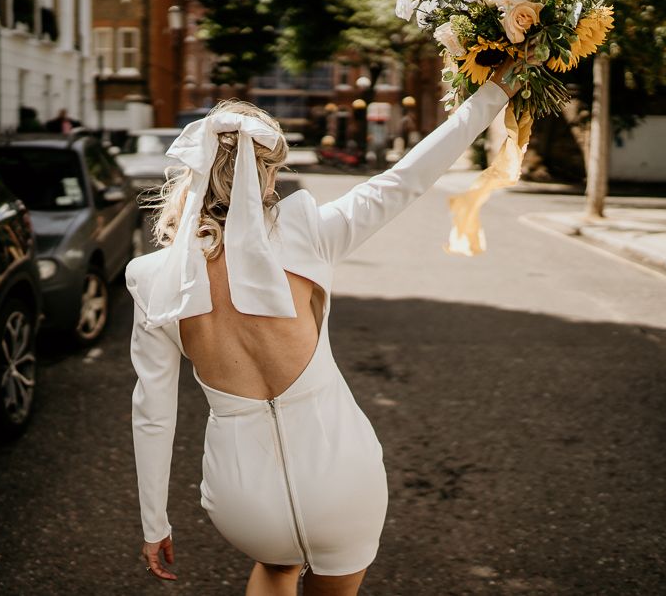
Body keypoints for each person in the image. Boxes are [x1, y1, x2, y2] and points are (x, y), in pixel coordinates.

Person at [125, 56, 523, 596]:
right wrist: (491, 94)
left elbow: (152, 411)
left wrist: (155, 524)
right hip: (342, 481)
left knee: (276, 564)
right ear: (266, 171)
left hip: (242, 499)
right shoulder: (307, 231)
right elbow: (405, 179)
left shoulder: (151, 276)